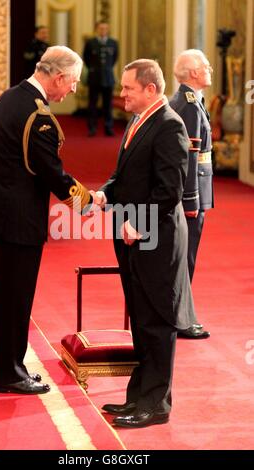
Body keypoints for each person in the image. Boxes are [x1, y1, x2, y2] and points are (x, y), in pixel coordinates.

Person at [0, 46, 98, 394]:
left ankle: (7, 367)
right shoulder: (37, 115)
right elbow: (51, 174)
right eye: (72, 82)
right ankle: (9, 373)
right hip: (18, 222)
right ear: (58, 77)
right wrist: (88, 201)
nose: (72, 90)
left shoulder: (7, 98)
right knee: (16, 298)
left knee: (5, 297)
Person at [93, 59, 193, 428]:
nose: (121, 95)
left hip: (156, 240)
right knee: (141, 319)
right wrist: (105, 195)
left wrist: (138, 222)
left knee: (157, 321)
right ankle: (138, 396)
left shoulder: (169, 126)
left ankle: (156, 404)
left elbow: (169, 192)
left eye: (128, 89)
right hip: (134, 237)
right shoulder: (138, 122)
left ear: (150, 89)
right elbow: (123, 175)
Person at [170, 49, 213, 339]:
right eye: (206, 66)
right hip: (192, 194)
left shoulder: (192, 101)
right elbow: (189, 155)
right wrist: (191, 200)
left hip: (197, 190)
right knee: (186, 259)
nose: (210, 68)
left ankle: (181, 315)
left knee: (187, 257)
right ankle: (182, 320)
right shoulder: (187, 105)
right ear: (194, 73)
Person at [83, 21, 118, 137]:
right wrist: (95, 69)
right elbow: (86, 59)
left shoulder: (113, 43)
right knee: (92, 104)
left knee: (108, 105)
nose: (103, 30)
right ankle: (92, 128)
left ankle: (108, 127)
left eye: (105, 28)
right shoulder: (90, 43)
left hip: (108, 78)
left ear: (108, 30)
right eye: (101, 28)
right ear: (97, 29)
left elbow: (114, 59)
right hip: (94, 77)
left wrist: (106, 70)